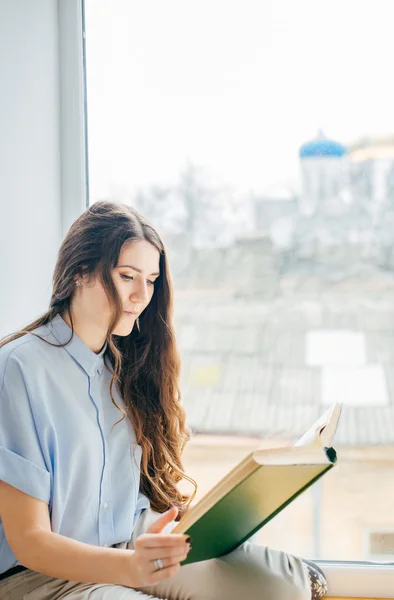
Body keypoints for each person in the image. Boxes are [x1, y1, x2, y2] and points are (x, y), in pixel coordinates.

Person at [0, 201, 328, 599]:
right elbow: (30, 541)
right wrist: (131, 566)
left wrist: (184, 533)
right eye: (127, 277)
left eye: (151, 280)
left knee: (277, 586)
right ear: (80, 272)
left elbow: (126, 507)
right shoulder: (18, 368)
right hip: (40, 577)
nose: (141, 295)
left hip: (129, 550)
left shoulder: (126, 368)